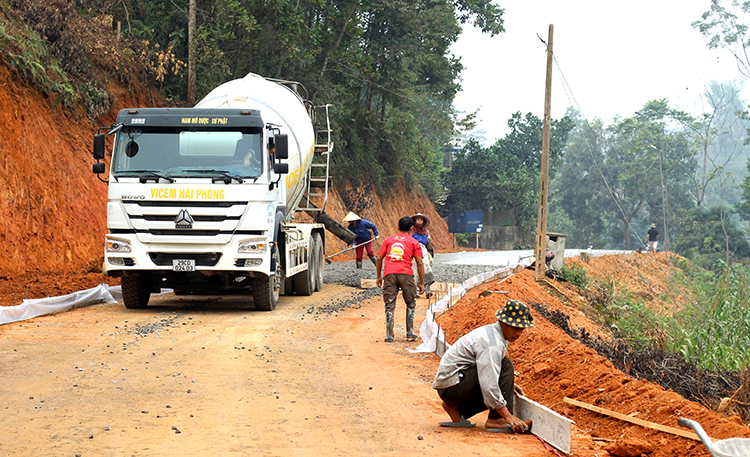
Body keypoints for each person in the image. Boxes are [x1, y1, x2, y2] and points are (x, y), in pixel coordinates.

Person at [433, 299, 534, 433]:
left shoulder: (493, 332)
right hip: (452, 386)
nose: (519, 333)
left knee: (499, 371)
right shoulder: (492, 344)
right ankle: (497, 420)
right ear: (503, 322)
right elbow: (489, 384)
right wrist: (507, 415)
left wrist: (507, 385)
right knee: (506, 365)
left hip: (449, 384)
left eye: (521, 329)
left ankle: (457, 409)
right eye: (515, 328)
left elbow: (487, 371)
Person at [376, 216, 425, 343]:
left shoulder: (388, 240)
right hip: (406, 275)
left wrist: (379, 276)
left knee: (390, 304)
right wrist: (422, 283)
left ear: (397, 227)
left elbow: (379, 258)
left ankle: (389, 334)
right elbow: (419, 262)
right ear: (411, 228)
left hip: (389, 274)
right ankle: (409, 332)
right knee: (410, 303)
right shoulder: (414, 242)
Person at [410, 213, 435, 298]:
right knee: (414, 270)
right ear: (414, 221)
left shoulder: (426, 232)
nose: (419, 221)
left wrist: (431, 253)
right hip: (413, 251)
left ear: (423, 222)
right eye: (418, 219)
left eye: (421, 220)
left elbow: (429, 243)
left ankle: (428, 290)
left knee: (426, 269)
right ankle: (414, 291)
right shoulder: (411, 231)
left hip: (424, 251)